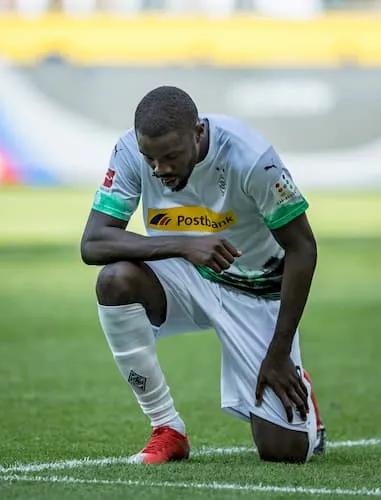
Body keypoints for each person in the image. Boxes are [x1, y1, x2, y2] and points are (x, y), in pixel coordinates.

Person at [80, 85, 326, 464]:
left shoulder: (252, 158)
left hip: (256, 291)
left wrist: (278, 353)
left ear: (197, 133)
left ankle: (299, 384)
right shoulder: (130, 150)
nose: (160, 169)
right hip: (186, 277)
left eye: (171, 157)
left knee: (283, 451)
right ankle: (167, 428)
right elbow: (93, 243)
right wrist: (184, 245)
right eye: (152, 159)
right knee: (115, 280)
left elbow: (302, 248)